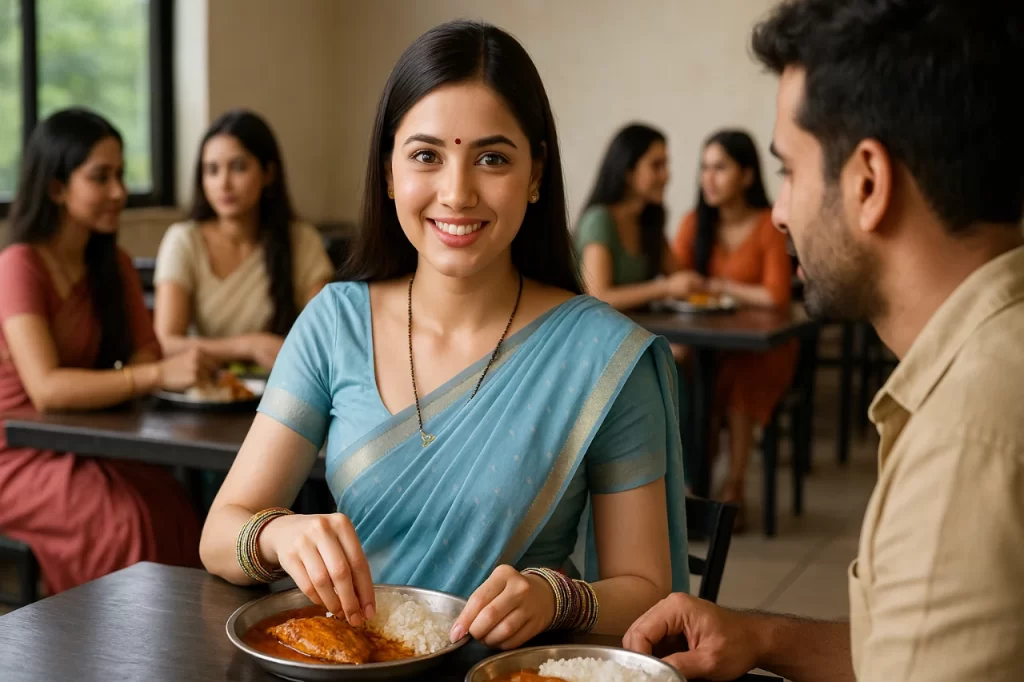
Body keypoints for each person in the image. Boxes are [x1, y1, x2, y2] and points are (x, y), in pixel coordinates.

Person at [200, 20, 690, 650]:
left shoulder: (604, 357)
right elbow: (220, 533)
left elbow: (648, 593)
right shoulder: (336, 322)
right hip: (348, 660)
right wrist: (276, 535)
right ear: (387, 172)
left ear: (536, 174)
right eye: (427, 155)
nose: (457, 193)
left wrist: (554, 596)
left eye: (492, 158)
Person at [625, 1, 1024, 680]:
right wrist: (763, 637)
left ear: (868, 181)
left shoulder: (967, 442)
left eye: (789, 171)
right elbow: (911, 648)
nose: (780, 212)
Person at [0, 109, 210, 594]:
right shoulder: (19, 265)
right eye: (101, 177)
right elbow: (47, 389)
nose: (119, 191)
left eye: (120, 175)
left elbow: (144, 352)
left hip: (88, 435)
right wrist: (151, 375)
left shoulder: (111, 265)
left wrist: (145, 370)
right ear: (56, 188)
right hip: (19, 449)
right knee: (126, 519)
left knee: (172, 506)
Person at [671, 130, 796, 528]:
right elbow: (678, 279)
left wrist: (719, 287)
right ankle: (694, 486)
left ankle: (734, 486)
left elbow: (777, 296)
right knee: (682, 373)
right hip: (710, 342)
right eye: (704, 168)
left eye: (720, 168)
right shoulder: (695, 223)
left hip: (764, 347)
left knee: (739, 380)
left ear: (746, 175)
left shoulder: (767, 225)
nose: (708, 178)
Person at [153, 110, 334, 371]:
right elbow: (166, 343)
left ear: (268, 173)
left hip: (286, 391)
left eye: (238, 167)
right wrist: (249, 346)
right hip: (207, 391)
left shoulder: (301, 240)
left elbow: (325, 336)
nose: (223, 183)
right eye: (212, 170)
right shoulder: (183, 241)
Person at [576, 124, 703, 323]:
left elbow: (682, 278)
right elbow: (598, 296)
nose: (666, 175)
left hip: (637, 336)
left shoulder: (649, 221)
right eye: (656, 165)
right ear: (628, 172)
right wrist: (666, 288)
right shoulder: (599, 220)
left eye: (666, 165)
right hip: (599, 339)